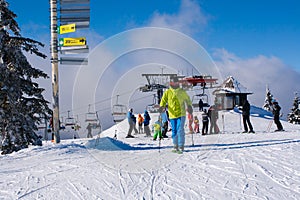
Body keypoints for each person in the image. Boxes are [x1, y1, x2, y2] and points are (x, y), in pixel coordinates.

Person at [159, 76, 193, 154]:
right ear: (171, 83)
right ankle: (175, 145)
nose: (175, 83)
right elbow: (163, 101)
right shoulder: (167, 92)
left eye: (176, 82)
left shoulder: (182, 91)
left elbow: (187, 99)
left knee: (180, 129)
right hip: (172, 115)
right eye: (173, 82)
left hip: (181, 114)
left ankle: (181, 145)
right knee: (174, 130)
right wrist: (161, 106)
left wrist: (189, 106)